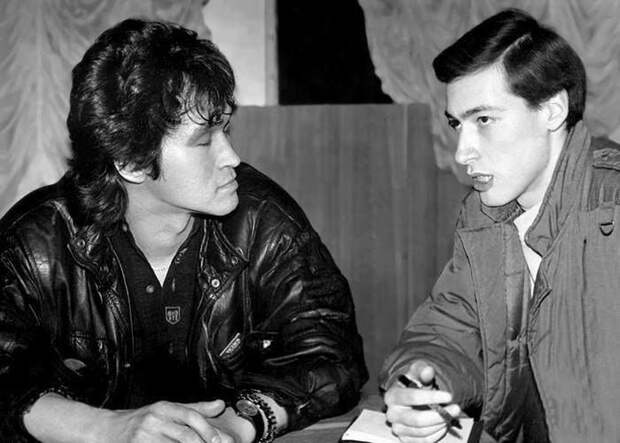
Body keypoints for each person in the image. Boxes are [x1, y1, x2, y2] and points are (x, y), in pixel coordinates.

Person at [0, 18, 368, 443]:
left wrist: (240, 423)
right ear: (132, 162)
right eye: (204, 140)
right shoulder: (37, 242)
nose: (232, 157)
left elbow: (332, 355)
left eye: (225, 130)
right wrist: (106, 429)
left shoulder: (263, 219)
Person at [380, 8, 620, 443]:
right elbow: (449, 327)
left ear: (552, 110)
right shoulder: (484, 215)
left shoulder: (611, 210)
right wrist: (424, 380)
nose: (462, 152)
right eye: (457, 124)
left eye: (484, 120)